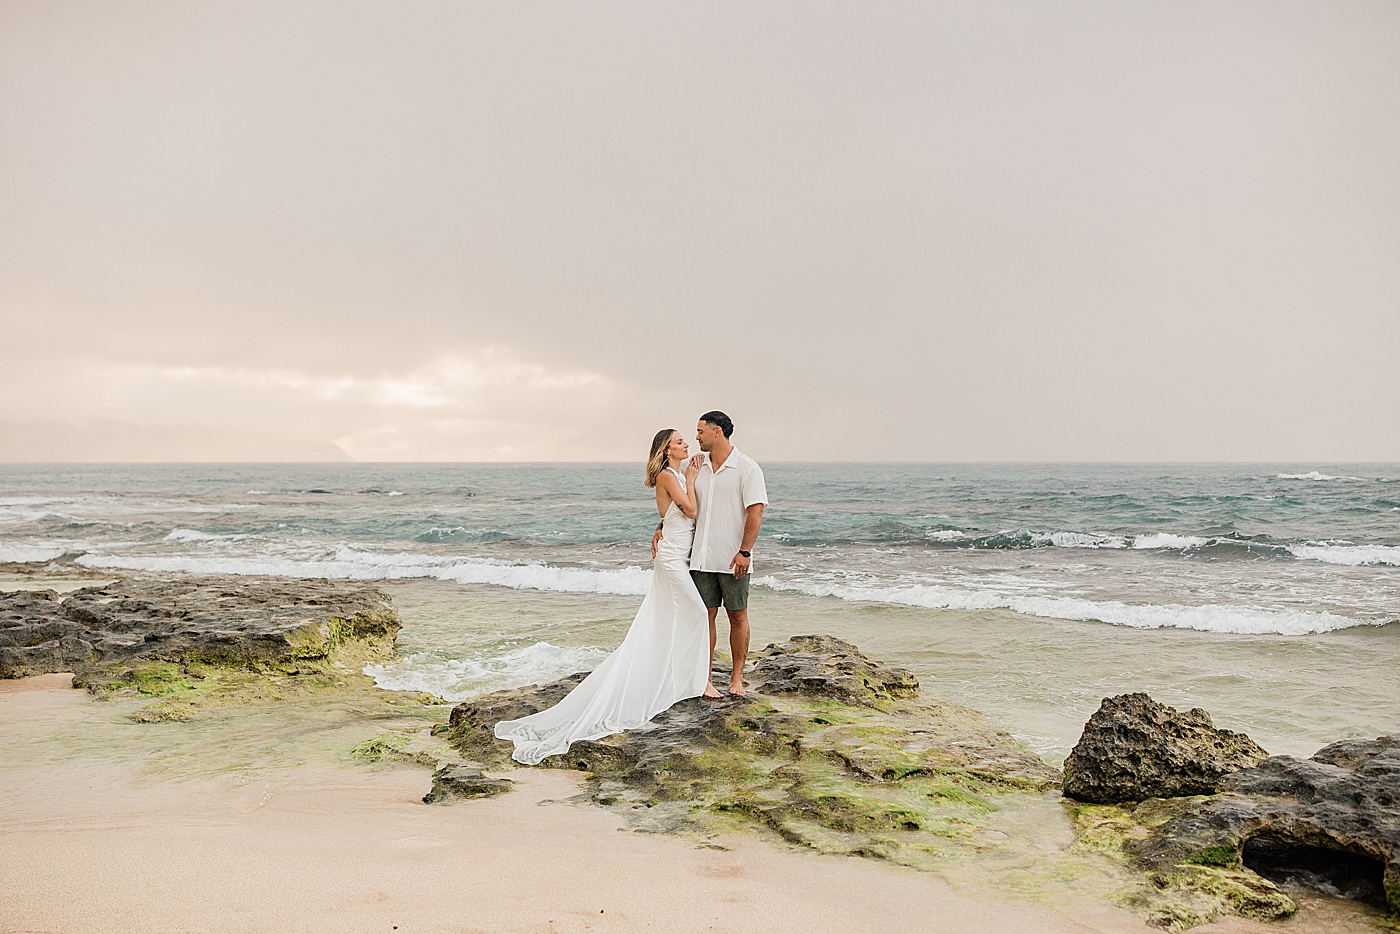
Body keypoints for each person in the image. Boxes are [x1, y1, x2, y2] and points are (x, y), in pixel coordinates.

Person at [494, 429, 713, 764]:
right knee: (696, 613)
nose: (687, 444)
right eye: (681, 441)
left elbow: (670, 518)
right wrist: (693, 476)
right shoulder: (670, 476)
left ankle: (683, 678)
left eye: (687, 440)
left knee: (673, 619)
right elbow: (691, 512)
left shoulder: (676, 475)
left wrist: (667, 516)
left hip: (678, 555)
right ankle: (696, 682)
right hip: (671, 560)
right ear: (667, 450)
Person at [654, 411, 767, 696]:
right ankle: (703, 679)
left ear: (718, 432)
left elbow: (756, 511)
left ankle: (737, 678)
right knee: (704, 616)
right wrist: (661, 525)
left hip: (733, 558)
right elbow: (680, 505)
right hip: (699, 557)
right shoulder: (695, 466)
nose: (696, 437)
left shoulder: (747, 468)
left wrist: (745, 552)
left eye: (700, 431)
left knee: (738, 617)